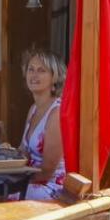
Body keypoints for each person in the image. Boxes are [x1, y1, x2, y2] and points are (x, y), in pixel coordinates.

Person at [19, 49, 67, 201]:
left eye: (41, 70)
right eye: (31, 69)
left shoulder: (56, 113)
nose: (34, 75)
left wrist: (15, 181)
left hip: (51, 186)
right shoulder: (33, 109)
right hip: (30, 179)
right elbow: (23, 153)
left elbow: (47, 171)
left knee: (3, 192)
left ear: (54, 77)